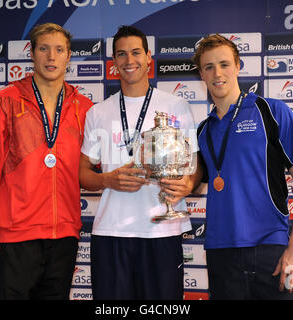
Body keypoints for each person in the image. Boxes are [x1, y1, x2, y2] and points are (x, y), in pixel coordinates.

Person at [0, 23, 93, 300]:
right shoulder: (6, 100)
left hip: (64, 237)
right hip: (15, 237)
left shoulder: (84, 108)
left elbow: (95, 166)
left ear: (68, 56)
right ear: (32, 53)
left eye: (59, 50)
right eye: (44, 49)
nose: (51, 57)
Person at [79, 25, 202, 300]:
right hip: (112, 232)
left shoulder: (176, 106)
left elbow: (194, 165)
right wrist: (106, 180)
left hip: (162, 232)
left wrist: (188, 184)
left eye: (136, 52)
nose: (129, 60)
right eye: (121, 54)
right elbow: (83, 174)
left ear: (149, 57)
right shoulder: (98, 112)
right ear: (113, 64)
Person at [192, 34, 293, 300]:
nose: (218, 73)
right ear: (201, 74)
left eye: (224, 64)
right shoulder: (203, 131)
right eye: (209, 66)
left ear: (238, 66)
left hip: (273, 250)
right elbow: (194, 181)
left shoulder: (271, 111)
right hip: (220, 254)